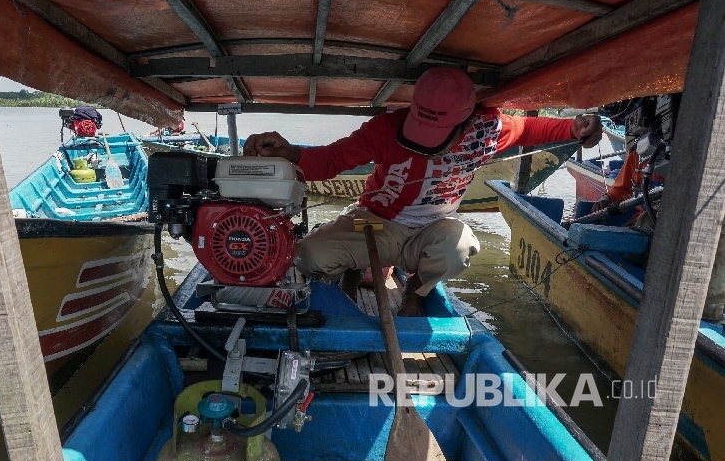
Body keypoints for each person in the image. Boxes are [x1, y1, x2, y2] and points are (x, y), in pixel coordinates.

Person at [243, 68, 602, 315]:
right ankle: (359, 269)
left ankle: (415, 291)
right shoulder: (386, 128)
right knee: (308, 255)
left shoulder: (487, 129)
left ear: (465, 116)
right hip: (374, 223)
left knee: (459, 247)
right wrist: (291, 154)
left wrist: (572, 128)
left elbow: (527, 129)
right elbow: (334, 158)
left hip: (434, 228)